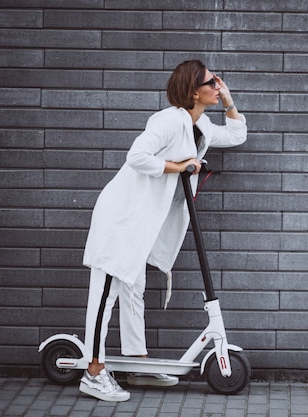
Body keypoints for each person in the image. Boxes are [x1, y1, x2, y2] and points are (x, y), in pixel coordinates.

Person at [79, 60, 247, 402]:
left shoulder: (200, 126)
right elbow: (136, 156)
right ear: (192, 91)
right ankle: (93, 373)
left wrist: (228, 99)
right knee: (105, 295)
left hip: (140, 223)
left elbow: (237, 134)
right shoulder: (169, 120)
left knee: (133, 289)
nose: (217, 85)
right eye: (210, 83)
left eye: (217, 82)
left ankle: (138, 363)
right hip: (121, 218)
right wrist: (179, 166)